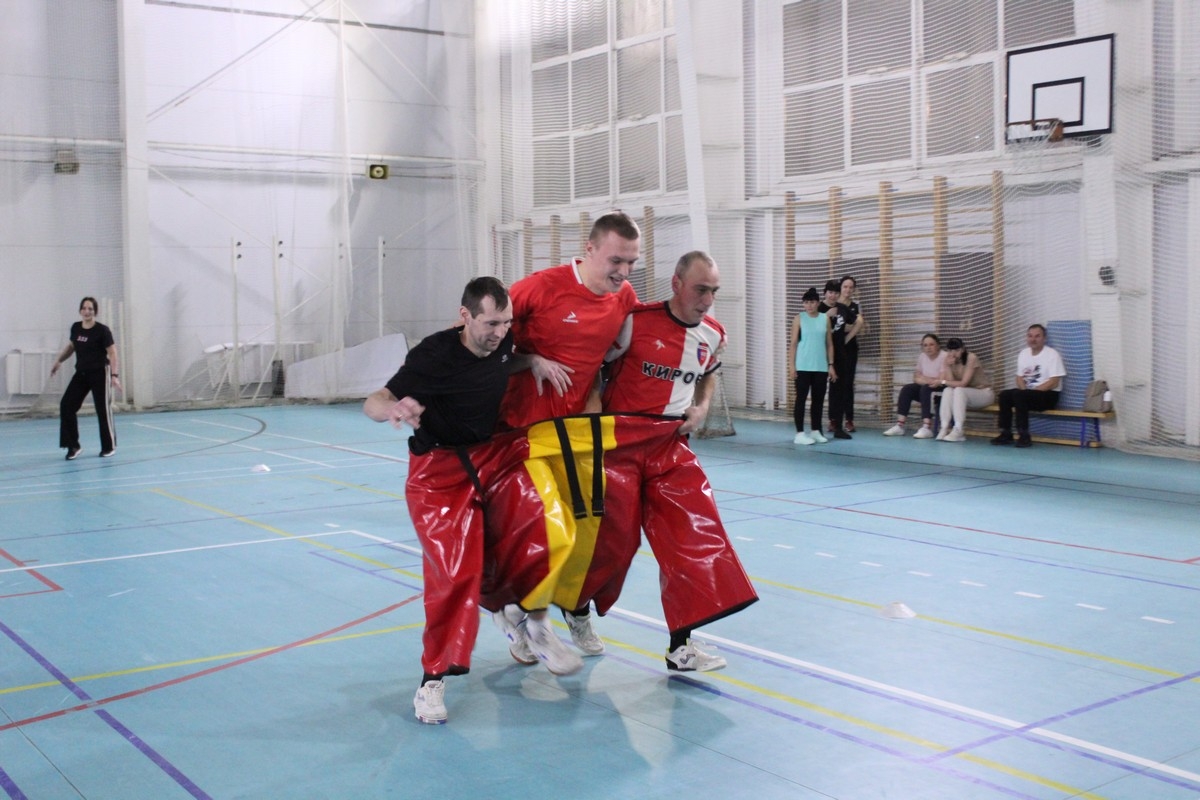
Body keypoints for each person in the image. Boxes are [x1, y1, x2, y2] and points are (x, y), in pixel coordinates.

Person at [363, 276, 516, 725]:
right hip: (437, 473)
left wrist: (537, 362)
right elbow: (376, 399)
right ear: (465, 316)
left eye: (506, 323)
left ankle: (519, 614)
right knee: (452, 572)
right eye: (490, 323)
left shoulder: (506, 343)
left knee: (537, 532)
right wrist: (392, 410)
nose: (500, 332)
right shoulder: (433, 355)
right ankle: (432, 679)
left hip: (490, 461)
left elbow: (510, 359)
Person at [491, 211, 641, 667]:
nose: (624, 271)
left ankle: (570, 610)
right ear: (589, 249)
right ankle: (528, 620)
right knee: (546, 529)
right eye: (616, 260)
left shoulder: (624, 297)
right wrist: (531, 361)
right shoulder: (537, 289)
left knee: (590, 532)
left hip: (576, 434)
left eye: (632, 262)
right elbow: (482, 344)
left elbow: (619, 351)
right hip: (522, 432)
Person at [601, 251, 759, 670]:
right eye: (700, 289)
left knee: (692, 536)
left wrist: (702, 408)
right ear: (676, 284)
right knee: (612, 547)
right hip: (619, 447)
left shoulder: (712, 334)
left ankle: (680, 645)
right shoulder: (634, 322)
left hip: (670, 446)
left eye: (714, 291)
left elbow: (708, 375)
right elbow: (593, 370)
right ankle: (568, 611)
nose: (707, 300)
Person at [51, 296, 121, 460]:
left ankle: (109, 446)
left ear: (95, 311)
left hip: (100, 373)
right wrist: (59, 361)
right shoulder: (76, 328)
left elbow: (112, 353)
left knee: (102, 410)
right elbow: (71, 347)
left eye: (90, 309)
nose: (87, 311)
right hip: (82, 373)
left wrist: (114, 375)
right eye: (84, 308)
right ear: (80, 310)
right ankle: (73, 446)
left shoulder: (102, 330)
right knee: (66, 405)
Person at [991, 324, 1065, 448]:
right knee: (1005, 395)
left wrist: (1032, 392)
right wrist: (1025, 391)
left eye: (1037, 336)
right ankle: (1006, 433)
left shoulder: (1052, 354)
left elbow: (1054, 381)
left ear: (1044, 338)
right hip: (1027, 394)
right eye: (1030, 336)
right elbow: (1019, 377)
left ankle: (1024, 435)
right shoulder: (1023, 353)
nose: (1033, 339)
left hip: (1048, 395)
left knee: (1020, 396)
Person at [787, 287, 836, 445]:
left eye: (812, 302)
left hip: (820, 366)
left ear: (818, 303)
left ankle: (815, 430)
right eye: (806, 302)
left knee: (818, 400)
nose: (809, 305)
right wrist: (791, 365)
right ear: (803, 304)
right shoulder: (799, 318)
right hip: (803, 365)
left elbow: (829, 343)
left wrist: (831, 364)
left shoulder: (824, 318)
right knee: (800, 399)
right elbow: (793, 343)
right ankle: (800, 433)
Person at [820, 276, 864, 438]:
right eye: (830, 292)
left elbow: (858, 322)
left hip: (841, 352)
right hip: (821, 352)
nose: (833, 295)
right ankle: (819, 426)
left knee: (842, 385)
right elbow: (812, 326)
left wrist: (846, 338)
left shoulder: (846, 308)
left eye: (835, 292)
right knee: (821, 388)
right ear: (825, 293)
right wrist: (827, 316)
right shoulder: (820, 308)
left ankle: (841, 422)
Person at [882, 333, 946, 439]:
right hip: (926, 388)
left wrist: (924, 378)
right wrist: (928, 380)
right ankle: (900, 425)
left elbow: (941, 380)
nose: (928, 348)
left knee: (926, 389)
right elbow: (916, 378)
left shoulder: (944, 356)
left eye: (931, 344)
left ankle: (927, 427)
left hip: (941, 391)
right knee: (907, 389)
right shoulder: (922, 356)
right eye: (925, 345)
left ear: (938, 346)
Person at [935, 337, 994, 442]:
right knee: (947, 390)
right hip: (964, 395)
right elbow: (951, 383)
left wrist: (942, 382)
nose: (953, 354)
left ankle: (959, 429)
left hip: (984, 393)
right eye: (950, 351)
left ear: (963, 349)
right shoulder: (947, 359)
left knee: (959, 390)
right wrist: (947, 366)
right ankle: (944, 427)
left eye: (957, 350)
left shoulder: (971, 358)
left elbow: (963, 383)